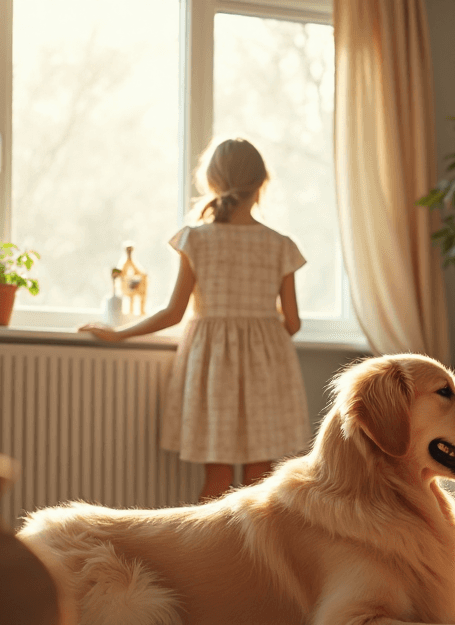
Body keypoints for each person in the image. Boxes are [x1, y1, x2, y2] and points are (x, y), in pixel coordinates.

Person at [80, 138, 310, 501]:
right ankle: (254, 556)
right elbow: (293, 324)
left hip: (212, 366)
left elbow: (173, 312)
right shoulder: (280, 244)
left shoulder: (197, 240)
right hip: (267, 368)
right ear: (261, 182)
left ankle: (205, 553)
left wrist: (119, 334)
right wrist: (261, 323)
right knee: (259, 479)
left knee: (217, 479)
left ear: (212, 182)